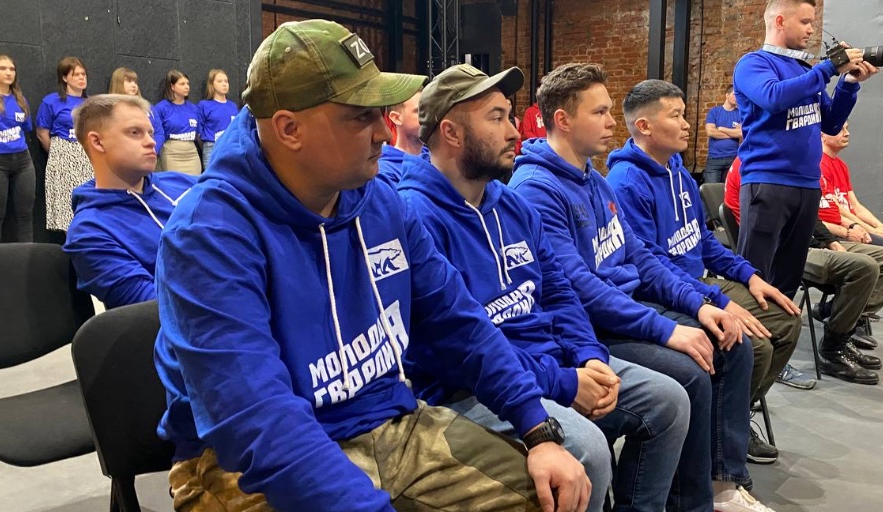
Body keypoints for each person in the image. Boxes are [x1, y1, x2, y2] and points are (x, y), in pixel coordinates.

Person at [153, 20, 589, 512]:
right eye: (361, 116)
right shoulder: (209, 232)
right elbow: (256, 419)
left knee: (551, 496)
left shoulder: (381, 201)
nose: (385, 131)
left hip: (387, 419)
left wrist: (536, 427)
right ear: (289, 129)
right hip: (244, 461)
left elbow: (458, 320)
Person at [399, 63, 690, 512]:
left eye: (511, 116)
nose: (514, 131)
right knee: (588, 450)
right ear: (452, 133)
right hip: (472, 388)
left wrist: (589, 357)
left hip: (554, 361)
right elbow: (457, 348)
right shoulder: (415, 215)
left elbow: (559, 292)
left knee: (669, 401)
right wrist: (564, 382)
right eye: (497, 118)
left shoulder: (510, 204)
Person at [512, 62, 774, 512]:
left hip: (627, 307)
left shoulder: (593, 179)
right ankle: (689, 502)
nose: (612, 123)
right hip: (593, 326)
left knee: (730, 343)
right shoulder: (537, 189)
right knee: (692, 372)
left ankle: (717, 487)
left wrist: (700, 303)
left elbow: (641, 257)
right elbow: (580, 289)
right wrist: (667, 329)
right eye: (599, 112)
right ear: (563, 120)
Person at [608, 79, 802, 465]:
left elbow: (704, 240)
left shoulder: (679, 170)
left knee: (785, 319)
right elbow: (651, 266)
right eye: (676, 116)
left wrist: (749, 276)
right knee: (752, 345)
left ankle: (731, 419)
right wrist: (716, 300)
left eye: (684, 115)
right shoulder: (626, 182)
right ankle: (719, 441)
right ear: (644, 126)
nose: (687, 124)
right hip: (666, 291)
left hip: (699, 282)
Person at [731, 0, 878, 298]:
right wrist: (828, 68)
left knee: (788, 278)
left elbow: (831, 124)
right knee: (755, 277)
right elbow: (773, 97)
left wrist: (849, 83)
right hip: (768, 181)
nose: (811, 29)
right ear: (780, 21)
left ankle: (781, 327)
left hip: (807, 185)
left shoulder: (803, 70)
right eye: (805, 22)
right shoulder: (754, 64)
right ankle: (750, 330)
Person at [725, 160, 883, 385]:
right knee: (864, 268)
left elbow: (808, 215)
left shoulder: (794, 168)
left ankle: (838, 323)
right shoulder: (761, 166)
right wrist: (835, 237)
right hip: (788, 249)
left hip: (810, 241)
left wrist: (831, 241)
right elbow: (776, 228)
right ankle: (832, 347)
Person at [62, 94, 196, 309]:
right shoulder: (90, 232)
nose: (151, 141)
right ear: (97, 142)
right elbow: (155, 309)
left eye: (150, 133)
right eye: (135, 133)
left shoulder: (183, 183)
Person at [818, 123, 883, 279]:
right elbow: (838, 211)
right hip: (842, 228)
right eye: (841, 129)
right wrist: (870, 230)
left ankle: (875, 285)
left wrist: (879, 226)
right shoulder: (820, 165)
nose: (847, 133)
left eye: (848, 128)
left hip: (854, 224)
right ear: (822, 135)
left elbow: (856, 206)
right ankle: (867, 289)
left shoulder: (841, 165)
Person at [36, 56, 92, 232]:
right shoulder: (51, 101)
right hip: (62, 155)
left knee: (88, 203)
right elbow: (42, 133)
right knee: (67, 207)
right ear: (65, 77)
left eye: (83, 74)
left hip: (87, 157)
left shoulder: (91, 103)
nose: (81, 78)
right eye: (76, 75)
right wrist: (58, 152)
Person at [0, 54, 35, 242]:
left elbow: (27, 128)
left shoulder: (21, 100)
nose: (8, 72)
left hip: (23, 161)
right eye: (2, 68)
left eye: (12, 69)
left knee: (25, 215)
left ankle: (28, 257)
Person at [154, 69, 201, 176]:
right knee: (175, 182)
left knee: (195, 182)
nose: (187, 87)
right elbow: (157, 133)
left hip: (192, 153)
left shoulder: (194, 108)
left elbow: (198, 133)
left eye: (187, 83)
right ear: (172, 86)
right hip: (171, 153)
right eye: (182, 84)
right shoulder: (161, 108)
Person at [109, 67, 166, 156]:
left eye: (135, 82)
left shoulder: (148, 107)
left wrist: (153, 149)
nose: (133, 85)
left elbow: (159, 132)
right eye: (129, 81)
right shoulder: (110, 109)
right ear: (118, 83)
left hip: (149, 154)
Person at [377, 87, 423, 185]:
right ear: (396, 118)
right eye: (420, 111)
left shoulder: (436, 158)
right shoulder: (385, 172)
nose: (428, 116)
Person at [198, 69, 238, 169]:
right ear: (212, 84)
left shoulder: (232, 106)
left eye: (226, 81)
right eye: (220, 81)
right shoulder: (204, 105)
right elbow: (199, 132)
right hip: (212, 148)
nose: (224, 84)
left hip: (230, 148)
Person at [702, 85, 742, 184]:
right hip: (714, 158)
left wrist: (721, 128)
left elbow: (741, 133)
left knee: (730, 189)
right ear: (727, 95)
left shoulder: (740, 114)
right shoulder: (714, 112)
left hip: (733, 158)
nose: (736, 97)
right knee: (711, 190)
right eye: (734, 94)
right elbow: (710, 132)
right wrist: (733, 133)